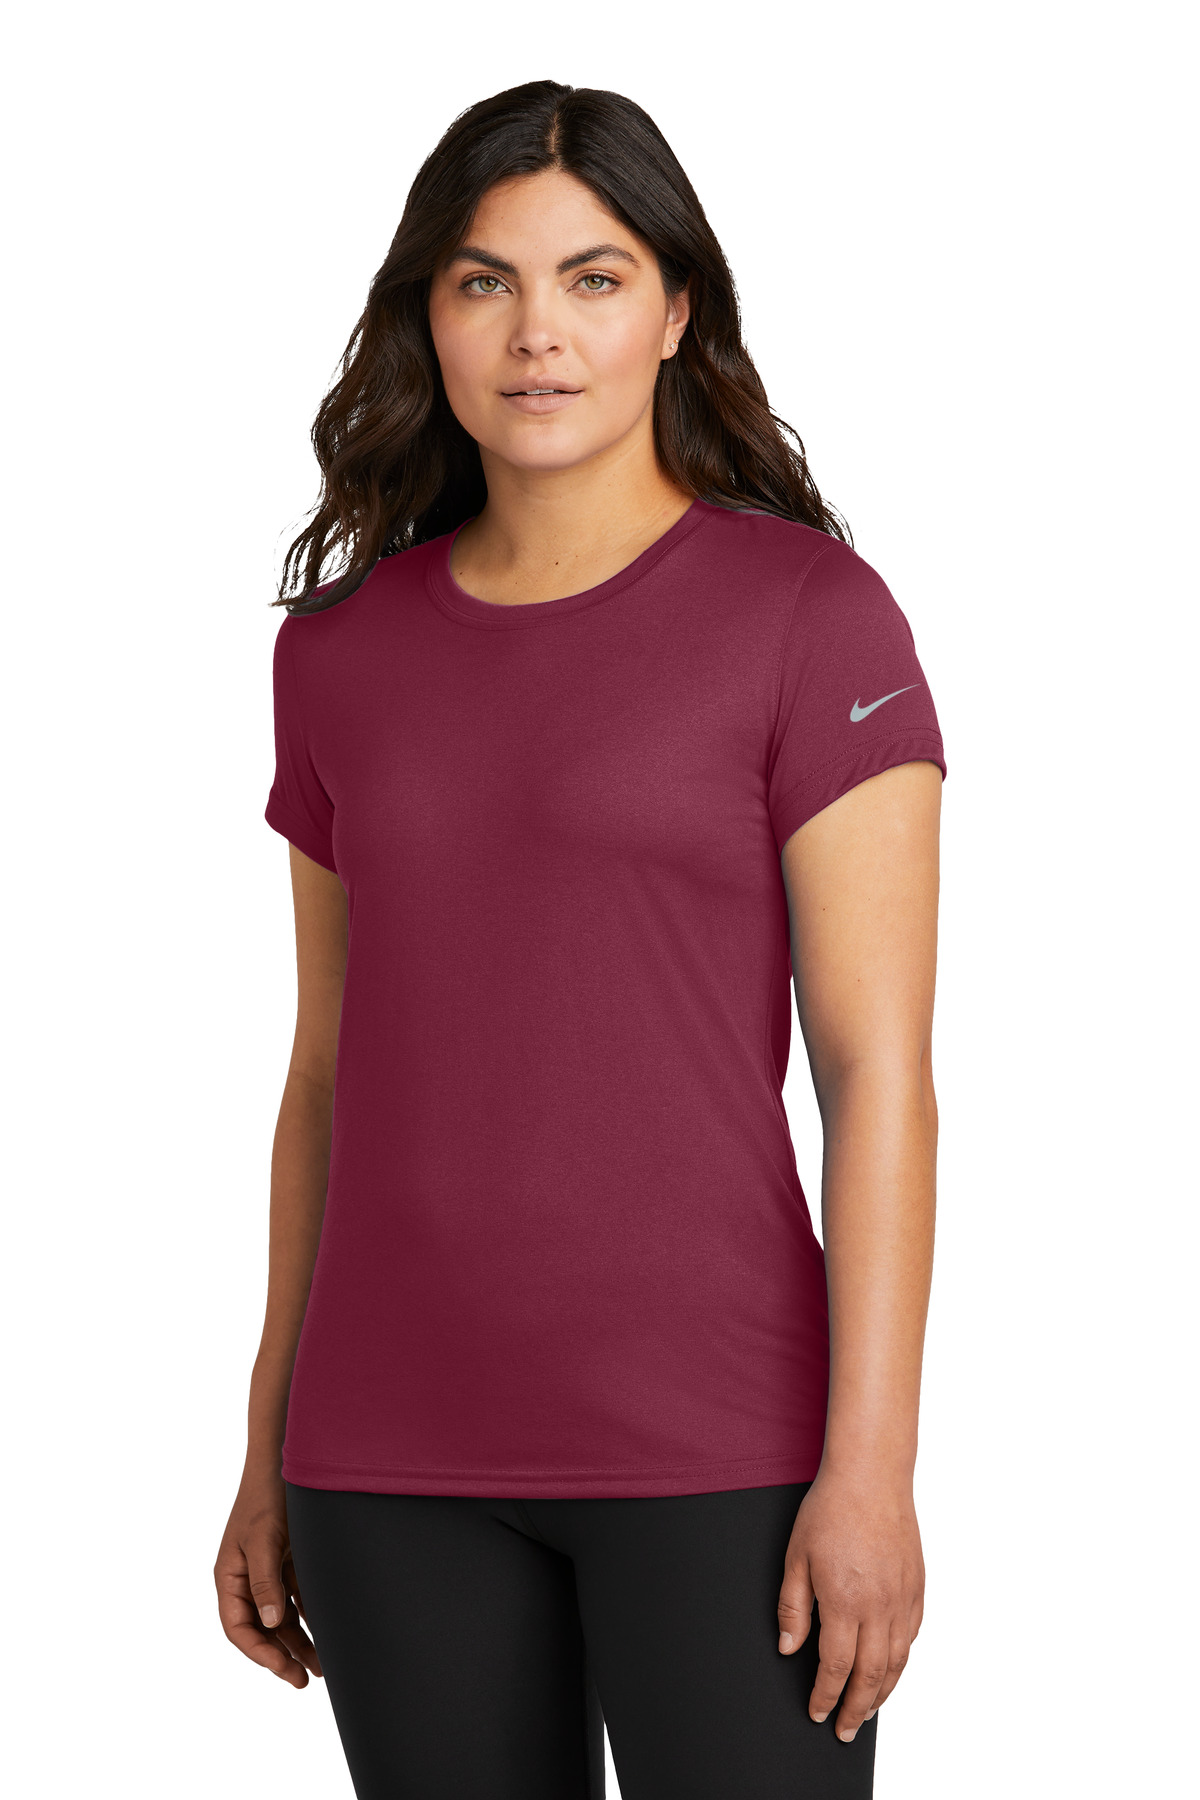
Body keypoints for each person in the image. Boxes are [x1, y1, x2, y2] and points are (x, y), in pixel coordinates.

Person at [214, 79, 945, 1800]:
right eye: (485, 282)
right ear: (430, 317)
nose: (537, 331)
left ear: (676, 311)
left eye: (594, 278)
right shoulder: (337, 652)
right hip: (386, 1457)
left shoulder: (811, 618)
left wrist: (872, 1473)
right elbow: (324, 1074)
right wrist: (266, 1440)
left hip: (723, 1444)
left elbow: (877, 1076)